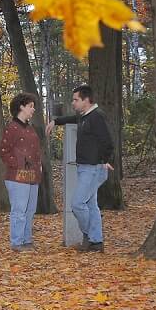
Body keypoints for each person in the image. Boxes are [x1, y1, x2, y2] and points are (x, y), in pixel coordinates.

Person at [46, 84, 114, 252]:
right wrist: (55, 121)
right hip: (85, 168)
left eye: (76, 100)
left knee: (77, 204)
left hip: (93, 168)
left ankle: (90, 235)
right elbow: (71, 118)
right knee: (91, 206)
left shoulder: (97, 117)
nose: (73, 103)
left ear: (86, 100)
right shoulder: (85, 116)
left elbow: (108, 142)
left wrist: (105, 160)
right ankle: (96, 242)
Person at [0, 92, 43, 251]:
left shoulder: (30, 128)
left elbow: (36, 151)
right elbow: (3, 151)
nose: (33, 109)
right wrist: (17, 164)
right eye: (31, 106)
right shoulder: (12, 128)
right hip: (17, 177)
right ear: (21, 107)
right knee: (19, 210)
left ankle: (26, 240)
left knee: (30, 210)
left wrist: (38, 168)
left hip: (33, 176)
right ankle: (17, 243)